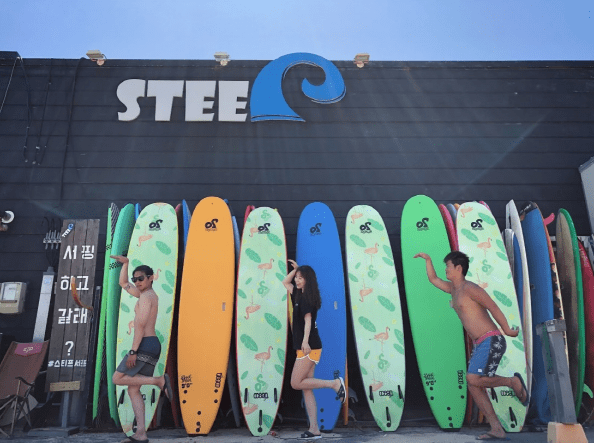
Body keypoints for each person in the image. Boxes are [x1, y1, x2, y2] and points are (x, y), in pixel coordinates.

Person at [414, 251, 529, 441]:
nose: (446, 270)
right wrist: (428, 259)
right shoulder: (454, 289)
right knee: (474, 384)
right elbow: (433, 279)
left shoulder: (470, 288)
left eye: (448, 266)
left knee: (473, 378)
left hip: (491, 340)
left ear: (458, 268)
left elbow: (492, 306)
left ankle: (512, 382)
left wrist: (507, 329)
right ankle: (496, 428)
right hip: (481, 343)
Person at [110, 255, 173, 443]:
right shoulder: (147, 294)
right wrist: (126, 264)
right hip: (151, 345)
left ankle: (158, 380)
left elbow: (140, 323)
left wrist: (133, 351)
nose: (136, 282)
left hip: (144, 345)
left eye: (141, 278)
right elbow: (123, 283)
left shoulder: (146, 297)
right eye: (135, 279)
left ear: (151, 278)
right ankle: (141, 433)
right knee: (133, 389)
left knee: (117, 378)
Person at [282, 259, 346, 440]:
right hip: (307, 347)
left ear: (308, 280)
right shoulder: (297, 295)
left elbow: (308, 321)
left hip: (308, 347)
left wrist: (305, 342)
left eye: (301, 278)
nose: (297, 280)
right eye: (297, 278)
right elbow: (285, 282)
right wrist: (296, 270)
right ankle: (314, 429)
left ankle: (334, 384)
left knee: (296, 383)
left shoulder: (307, 300)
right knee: (306, 387)